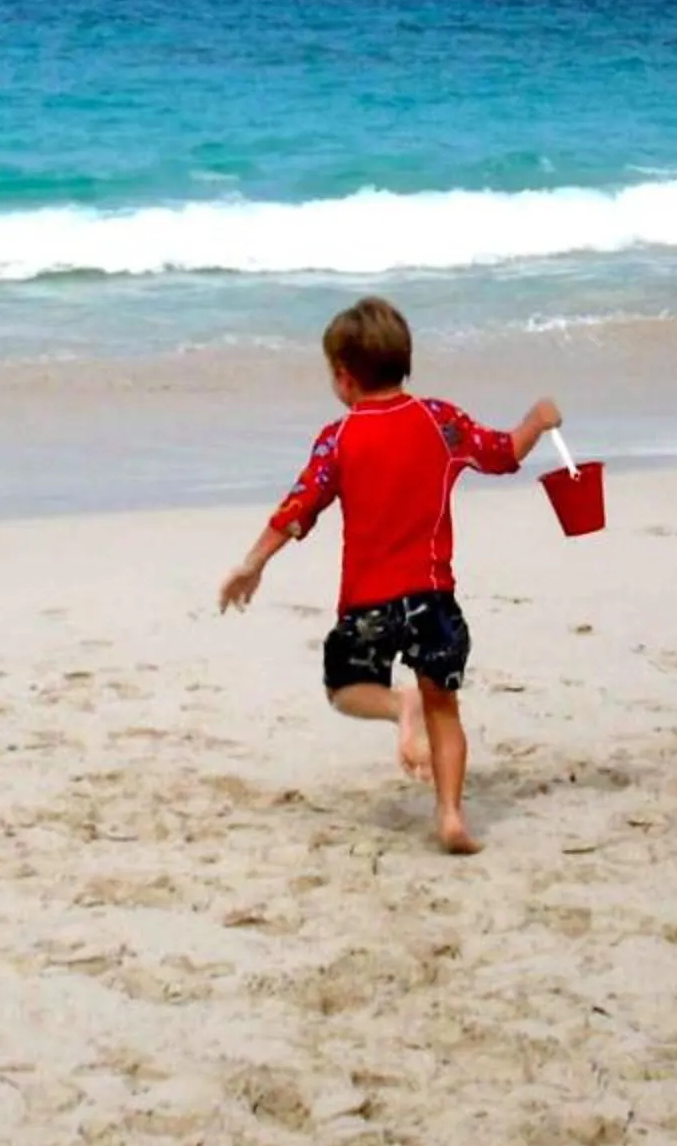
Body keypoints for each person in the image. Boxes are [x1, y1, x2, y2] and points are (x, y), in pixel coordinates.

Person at [218, 297, 559, 855]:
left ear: (343, 377)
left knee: (344, 687)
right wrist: (538, 421)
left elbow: (299, 507)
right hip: (434, 601)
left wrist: (253, 563)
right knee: (444, 708)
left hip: (369, 602)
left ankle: (399, 705)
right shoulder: (441, 421)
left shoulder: (339, 438)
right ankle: (450, 815)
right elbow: (503, 453)